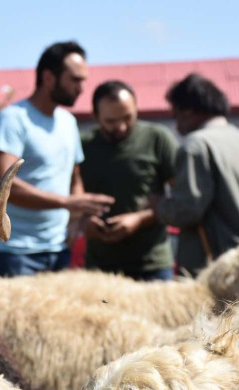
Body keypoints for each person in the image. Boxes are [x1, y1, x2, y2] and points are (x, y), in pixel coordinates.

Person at [0, 41, 114, 277]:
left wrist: (79, 216)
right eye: (75, 79)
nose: (81, 88)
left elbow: (74, 179)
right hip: (13, 253)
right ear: (49, 77)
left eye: (83, 80)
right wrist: (67, 203)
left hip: (58, 250)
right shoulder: (13, 119)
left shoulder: (69, 122)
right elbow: (3, 185)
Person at [152, 73, 239, 276]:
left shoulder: (196, 146)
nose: (176, 124)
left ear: (187, 112)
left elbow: (186, 211)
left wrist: (158, 205)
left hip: (217, 274)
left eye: (175, 115)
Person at [80, 80, 179, 281]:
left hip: (151, 266)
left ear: (136, 108)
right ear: (96, 116)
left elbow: (182, 196)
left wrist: (140, 218)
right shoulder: (83, 146)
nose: (121, 127)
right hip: (100, 268)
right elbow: (71, 197)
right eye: (110, 121)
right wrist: (84, 221)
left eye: (128, 117)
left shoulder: (158, 139)